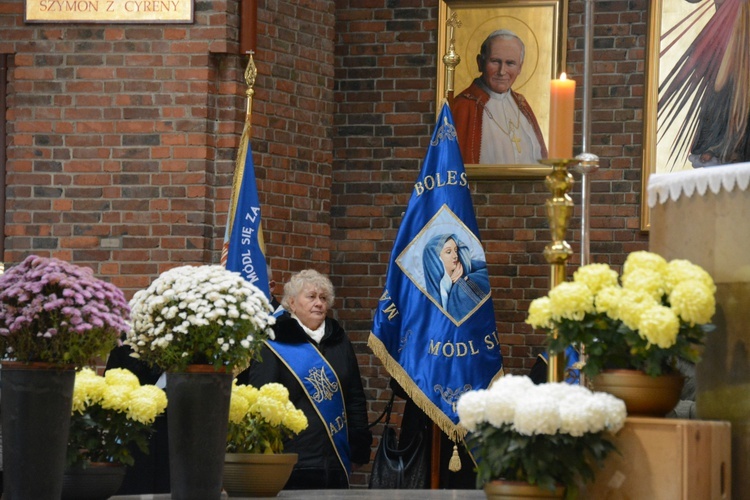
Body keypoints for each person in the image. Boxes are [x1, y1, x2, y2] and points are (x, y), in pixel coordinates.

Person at [236, 269, 372, 489]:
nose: (318, 303)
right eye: (311, 297)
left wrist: (358, 447)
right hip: (291, 458)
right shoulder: (274, 342)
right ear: (292, 302)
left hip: (335, 457)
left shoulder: (339, 340)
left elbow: (354, 396)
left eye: (323, 298)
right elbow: (261, 399)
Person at [452, 29, 548, 165]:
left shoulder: (522, 105)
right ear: (480, 63)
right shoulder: (463, 106)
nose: (502, 71)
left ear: (520, 68)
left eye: (510, 63)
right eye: (495, 61)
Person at [422, 233, 490, 321]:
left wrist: (462, 283)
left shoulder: (465, 283)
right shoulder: (430, 298)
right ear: (435, 259)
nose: (455, 256)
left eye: (456, 250)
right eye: (448, 252)